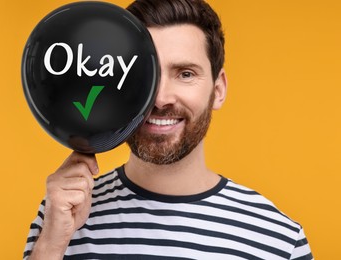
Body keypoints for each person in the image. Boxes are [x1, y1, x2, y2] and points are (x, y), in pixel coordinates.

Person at [24, 0, 313, 259]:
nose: (161, 98)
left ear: (219, 89)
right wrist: (51, 246)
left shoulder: (279, 239)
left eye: (185, 74)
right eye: (146, 74)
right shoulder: (60, 219)